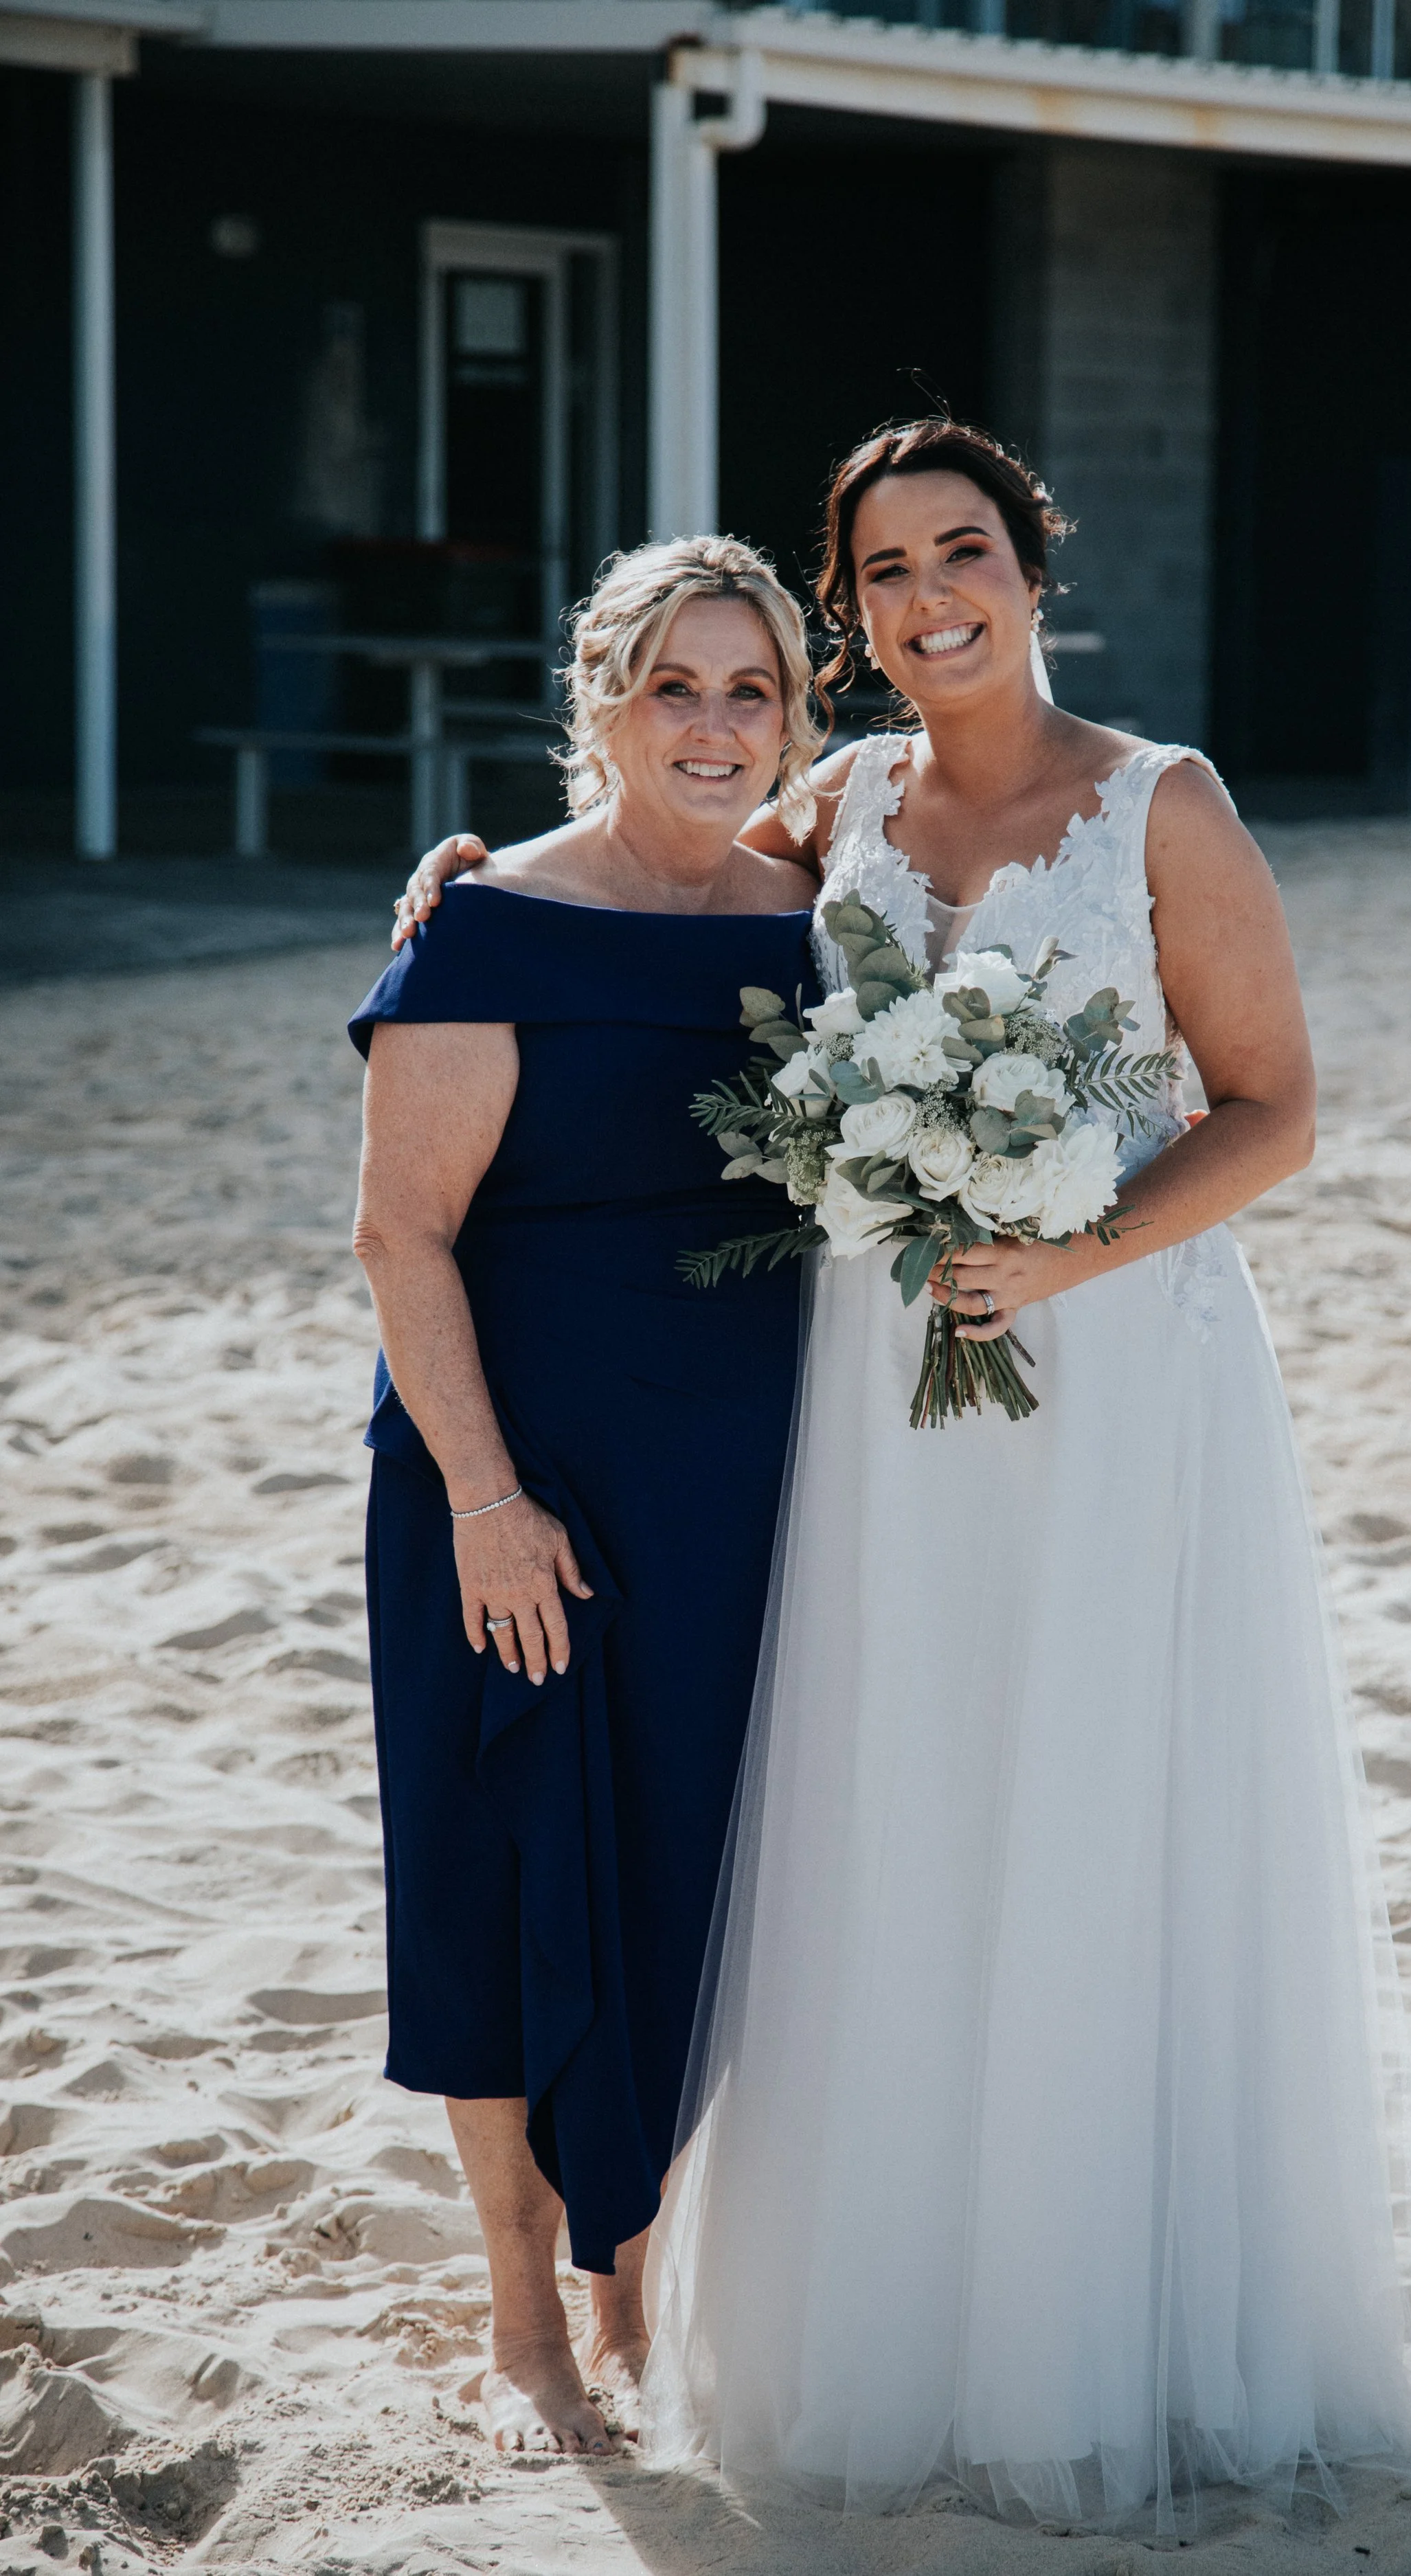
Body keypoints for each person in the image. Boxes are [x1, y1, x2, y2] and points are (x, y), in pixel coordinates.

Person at [395, 422, 1411, 2525]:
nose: (927, 598)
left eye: (960, 551)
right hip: (880, 1387)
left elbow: (1271, 1111)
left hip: (1120, 1368)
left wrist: (1069, 1251)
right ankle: (895, 2285)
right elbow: (655, 850)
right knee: (899, 1803)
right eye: (884, 573)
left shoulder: (1162, 803)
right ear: (856, 618)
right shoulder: (846, 803)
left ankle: (1108, 2299)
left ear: (1030, 564)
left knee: (1101, 1792)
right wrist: (470, 881)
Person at [348, 535, 817, 2458]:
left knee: (687, 1862)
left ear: (799, 714)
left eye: (753, 691)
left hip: (733, 1484)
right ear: (602, 705)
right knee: (498, 1861)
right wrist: (482, 1497)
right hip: (508, 1476)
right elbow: (397, 1235)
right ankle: (521, 2316)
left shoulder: (818, 920)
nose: (713, 728)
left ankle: (637, 2282)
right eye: (674, 688)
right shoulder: (490, 930)